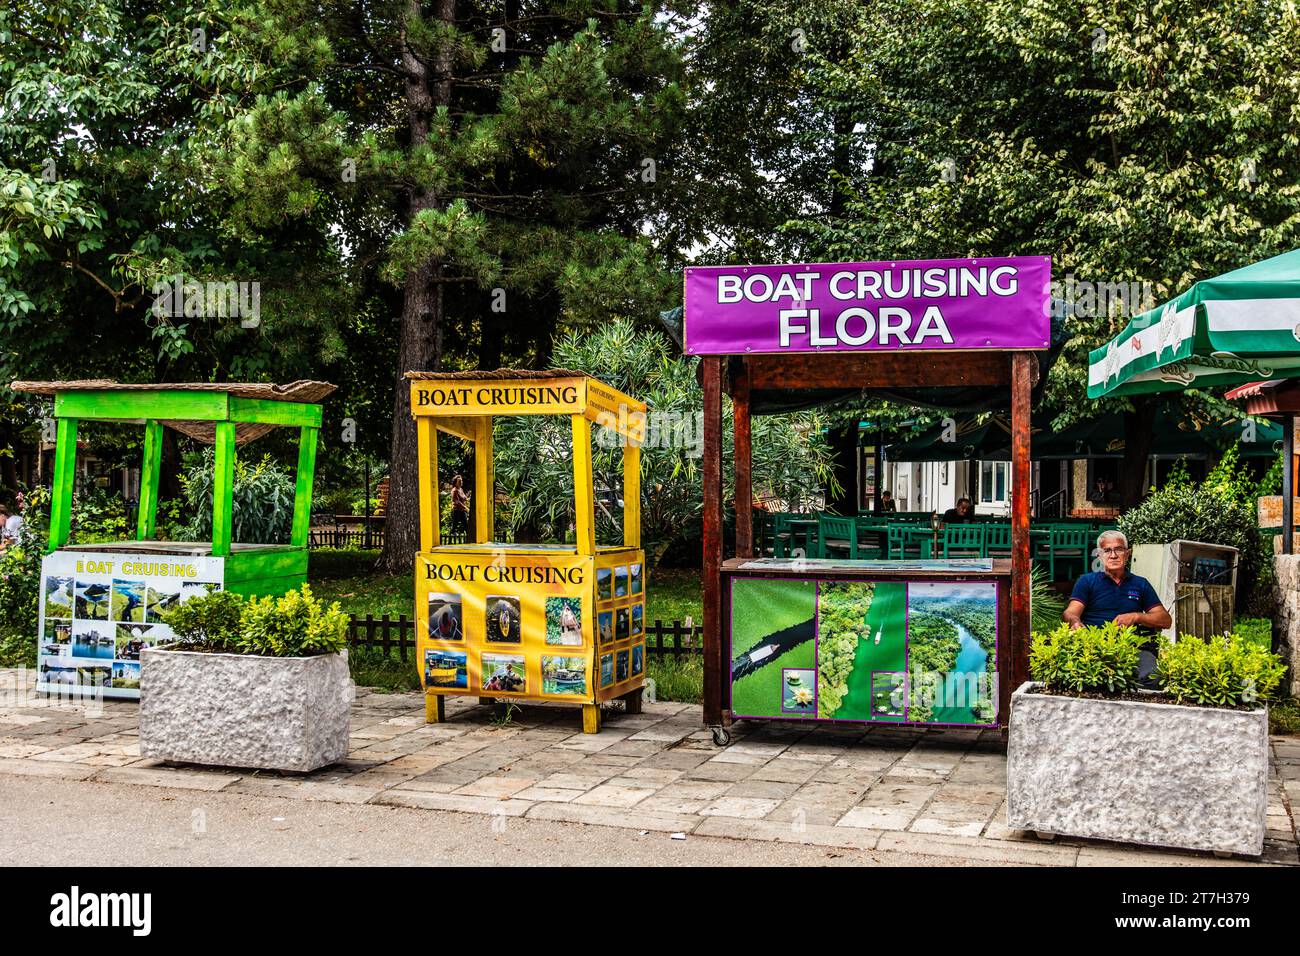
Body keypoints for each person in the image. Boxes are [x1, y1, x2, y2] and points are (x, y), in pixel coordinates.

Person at [1063, 531, 1172, 631]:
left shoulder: (1140, 583)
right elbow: (1071, 612)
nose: (1113, 556)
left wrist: (1136, 616)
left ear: (1128, 554)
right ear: (1099, 556)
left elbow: (1166, 620)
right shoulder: (1087, 581)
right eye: (1107, 551)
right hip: (1093, 644)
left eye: (1119, 549)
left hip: (1131, 646)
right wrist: (1074, 621)